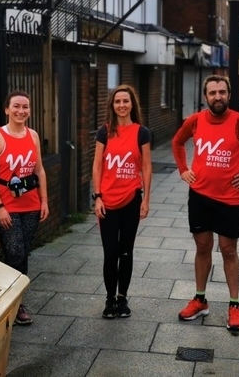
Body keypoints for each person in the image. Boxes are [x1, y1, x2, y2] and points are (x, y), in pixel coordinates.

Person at [171, 75, 239, 332]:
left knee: (228, 250)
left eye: (222, 92)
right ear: (205, 96)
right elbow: (177, 142)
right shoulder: (195, 121)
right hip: (199, 197)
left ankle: (234, 305)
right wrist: (183, 169)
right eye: (212, 93)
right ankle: (200, 299)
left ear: (229, 94)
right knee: (202, 248)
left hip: (229, 199)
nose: (217, 97)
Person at [0, 90, 49, 326]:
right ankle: (13, 303)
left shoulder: (33, 135)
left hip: (30, 204)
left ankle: (15, 301)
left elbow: (39, 170)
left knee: (22, 255)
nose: (22, 111)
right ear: (7, 109)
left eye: (26, 107)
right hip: (6, 206)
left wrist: (44, 200)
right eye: (17, 106)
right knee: (15, 252)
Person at [91, 84, 152, 319]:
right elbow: (97, 165)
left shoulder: (142, 132)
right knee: (110, 252)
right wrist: (97, 197)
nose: (122, 105)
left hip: (131, 200)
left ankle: (122, 298)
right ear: (112, 105)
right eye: (118, 101)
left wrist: (146, 199)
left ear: (132, 104)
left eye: (126, 101)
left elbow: (146, 167)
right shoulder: (104, 132)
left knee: (126, 251)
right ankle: (109, 300)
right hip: (107, 201)